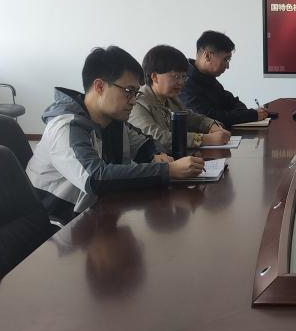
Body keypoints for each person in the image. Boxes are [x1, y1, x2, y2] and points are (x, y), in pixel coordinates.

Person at [26, 46, 204, 224]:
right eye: (128, 91)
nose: (133, 101)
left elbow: (145, 143)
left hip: (95, 215)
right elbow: (96, 177)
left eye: (136, 93)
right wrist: (168, 170)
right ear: (99, 86)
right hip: (54, 224)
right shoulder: (66, 127)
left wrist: (156, 155)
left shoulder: (114, 121)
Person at [130, 44, 231, 150]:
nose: (181, 82)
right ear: (155, 77)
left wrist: (212, 126)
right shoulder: (137, 103)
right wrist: (205, 139)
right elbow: (158, 139)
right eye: (176, 76)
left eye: (183, 76)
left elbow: (194, 118)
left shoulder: (171, 99)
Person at [180, 30, 268, 127]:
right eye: (225, 59)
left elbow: (234, 103)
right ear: (208, 56)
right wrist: (251, 115)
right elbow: (206, 119)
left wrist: (240, 114)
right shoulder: (183, 83)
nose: (227, 66)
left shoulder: (208, 78)